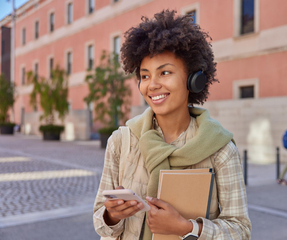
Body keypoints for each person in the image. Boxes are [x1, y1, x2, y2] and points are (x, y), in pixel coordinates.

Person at [93, 10, 251, 240]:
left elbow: (241, 231)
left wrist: (188, 229)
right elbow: (100, 221)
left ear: (193, 80)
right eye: (145, 76)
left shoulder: (221, 150)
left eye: (164, 72)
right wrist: (112, 216)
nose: (152, 85)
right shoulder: (120, 142)